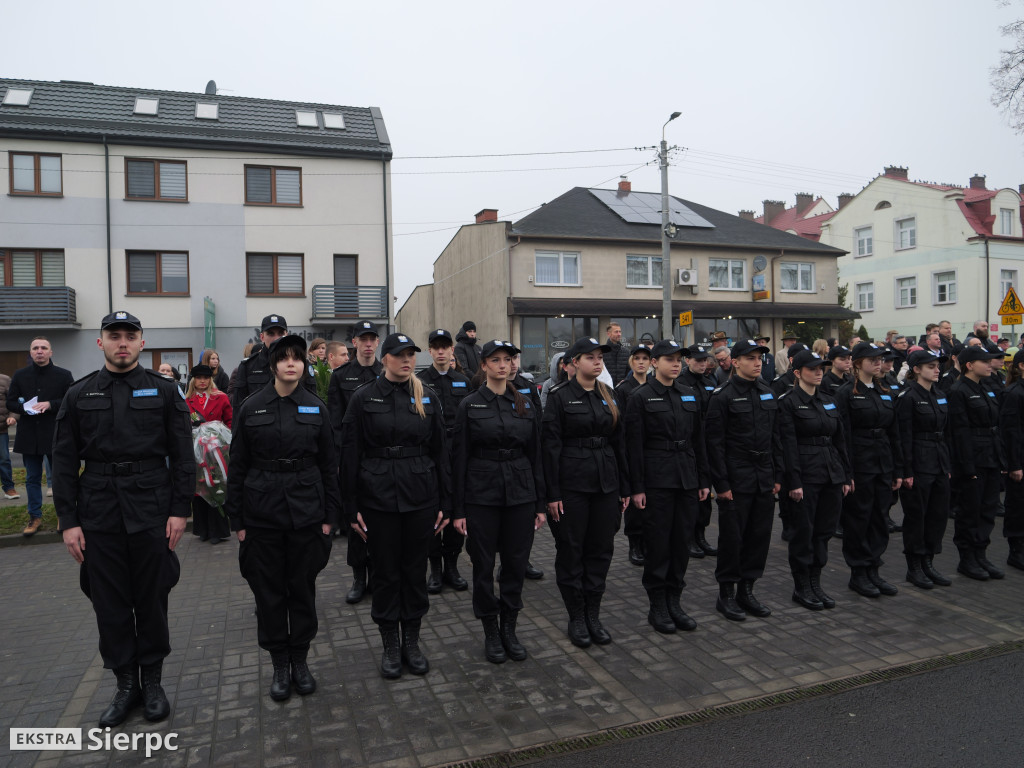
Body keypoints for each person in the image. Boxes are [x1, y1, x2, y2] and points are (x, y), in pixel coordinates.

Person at [52, 311, 194, 726]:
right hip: (98, 513)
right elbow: (63, 462)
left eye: (130, 336)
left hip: (151, 506)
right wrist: (68, 520)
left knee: (152, 597)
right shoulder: (79, 395)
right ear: (100, 343)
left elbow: (183, 455)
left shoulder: (165, 391)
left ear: (141, 343)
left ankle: (152, 683)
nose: (122, 343)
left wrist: (180, 509)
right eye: (114, 336)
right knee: (109, 603)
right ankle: (125, 684)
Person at [227, 334, 339, 701]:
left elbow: (328, 465)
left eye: (297, 358)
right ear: (272, 364)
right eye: (284, 357)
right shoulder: (251, 407)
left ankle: (300, 661)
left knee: (302, 591)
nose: (291, 363)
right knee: (269, 594)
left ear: (304, 365)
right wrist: (238, 520)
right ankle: (279, 664)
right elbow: (238, 466)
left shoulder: (316, 407)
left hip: (307, 511)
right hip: (262, 514)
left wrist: (329, 518)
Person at [341, 333, 450, 679]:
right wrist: (350, 505)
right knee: (386, 573)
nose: (407, 360)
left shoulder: (427, 397)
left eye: (411, 355)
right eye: (399, 355)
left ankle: (412, 643)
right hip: (378, 498)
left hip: (420, 495)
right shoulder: (363, 398)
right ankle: (391, 644)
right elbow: (349, 454)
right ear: (384, 358)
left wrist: (446, 502)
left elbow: (441, 452)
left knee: (414, 572)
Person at [452, 340, 545, 663]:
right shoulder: (470, 404)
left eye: (508, 359)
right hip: (482, 494)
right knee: (483, 566)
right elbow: (459, 458)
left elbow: (536, 456)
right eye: (496, 360)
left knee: (516, 564)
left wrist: (540, 503)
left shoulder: (526, 402)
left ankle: (510, 628)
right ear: (484, 365)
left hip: (520, 493)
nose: (504, 365)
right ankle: (491, 631)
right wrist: (458, 509)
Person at [542, 336, 629, 647]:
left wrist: (625, 487)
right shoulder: (559, 396)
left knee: (601, 550)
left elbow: (620, 443)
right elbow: (550, 448)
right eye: (589, 356)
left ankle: (593, 613)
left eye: (600, 357)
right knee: (571, 551)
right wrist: (552, 494)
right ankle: (576, 616)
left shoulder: (610, 394)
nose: (597, 361)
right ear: (574, 363)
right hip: (572, 485)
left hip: (606, 483)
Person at [626, 339, 709, 633]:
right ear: (654, 363)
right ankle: (657, 605)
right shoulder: (640, 397)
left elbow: (699, 440)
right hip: (657, 479)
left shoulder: (688, 394)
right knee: (659, 545)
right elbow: (633, 447)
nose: (675, 364)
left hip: (686, 477)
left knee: (681, 543)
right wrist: (637, 488)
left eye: (678, 359)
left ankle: (675, 601)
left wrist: (702, 479)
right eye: (669, 359)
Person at [705, 339, 783, 621]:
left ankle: (747, 591)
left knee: (759, 537)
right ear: (735, 362)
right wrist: (722, 485)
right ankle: (726, 594)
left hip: (763, 475)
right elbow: (715, 444)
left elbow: (776, 437)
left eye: (759, 357)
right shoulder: (722, 396)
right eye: (750, 358)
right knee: (732, 538)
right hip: (737, 477)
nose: (757, 362)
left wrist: (777, 475)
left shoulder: (767, 392)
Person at [777, 350, 852, 611]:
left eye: (821, 368)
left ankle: (815, 582)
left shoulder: (829, 400)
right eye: (813, 368)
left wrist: (845, 474)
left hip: (830, 473)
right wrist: (794, 482)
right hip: (805, 476)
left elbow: (840, 440)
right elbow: (787, 446)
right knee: (803, 534)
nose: (819, 372)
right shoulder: (787, 402)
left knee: (823, 533)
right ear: (797, 373)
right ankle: (801, 586)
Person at [834, 342, 903, 598]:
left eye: (880, 359)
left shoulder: (885, 391)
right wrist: (847, 472)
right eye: (872, 359)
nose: (878, 363)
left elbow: (894, 433)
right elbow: (842, 435)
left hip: (883, 463)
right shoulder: (845, 393)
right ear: (857, 362)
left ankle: (874, 568)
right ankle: (859, 573)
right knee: (858, 519)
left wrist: (897, 468)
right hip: (860, 464)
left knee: (879, 518)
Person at [328, 320, 383, 604]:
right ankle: (358, 578)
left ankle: (377, 576)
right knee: (355, 519)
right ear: (355, 343)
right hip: (352, 458)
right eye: (364, 339)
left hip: (380, 459)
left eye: (373, 338)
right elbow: (335, 423)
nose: (369, 343)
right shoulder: (341, 376)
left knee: (378, 519)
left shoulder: (385, 373)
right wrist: (339, 460)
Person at [417, 329, 472, 594]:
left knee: (456, 506)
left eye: (445, 347)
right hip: (430, 454)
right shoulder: (418, 381)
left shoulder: (464, 380)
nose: (440, 352)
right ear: (429, 351)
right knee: (433, 510)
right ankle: (435, 569)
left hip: (457, 452)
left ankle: (452, 565)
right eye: (435, 347)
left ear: (452, 350)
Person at [948, 345, 1006, 580]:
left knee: (987, 511)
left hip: (990, 457)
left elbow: (996, 426)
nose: (990, 365)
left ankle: (981, 554)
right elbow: (959, 433)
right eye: (985, 361)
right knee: (970, 511)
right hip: (973, 459)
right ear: (970, 365)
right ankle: (967, 559)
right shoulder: (958, 391)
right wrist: (967, 467)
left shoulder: (986, 388)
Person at [896, 349, 953, 589]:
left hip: (939, 462)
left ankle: (929, 561)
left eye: (938, 366)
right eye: (931, 366)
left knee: (937, 515)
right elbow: (903, 437)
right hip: (919, 463)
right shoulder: (907, 397)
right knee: (917, 517)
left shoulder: (939, 394)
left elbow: (946, 432)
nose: (937, 369)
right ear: (916, 369)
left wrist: (947, 466)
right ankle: (915, 566)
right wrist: (906, 471)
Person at [6, 337, 74, 536]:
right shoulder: (20, 375)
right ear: (31, 352)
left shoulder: (63, 375)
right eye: (35, 348)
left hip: (55, 435)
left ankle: (64, 516)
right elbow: (10, 403)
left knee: (60, 478)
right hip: (29, 436)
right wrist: (25, 408)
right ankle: (34, 517)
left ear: (51, 352)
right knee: (32, 479)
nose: (40, 351)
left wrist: (50, 404)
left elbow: (70, 401)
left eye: (44, 348)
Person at [185, 363, 232, 544]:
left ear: (210, 379)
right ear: (193, 380)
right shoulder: (186, 401)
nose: (202, 381)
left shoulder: (221, 398)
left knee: (216, 486)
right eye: (198, 378)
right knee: (200, 488)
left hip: (216, 451)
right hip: (196, 450)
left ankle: (217, 531)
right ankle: (202, 529)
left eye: (206, 378)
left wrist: (223, 440)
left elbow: (229, 421)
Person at [679, 344, 718, 558]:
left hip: (708, 445)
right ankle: (689, 538)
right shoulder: (681, 383)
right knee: (692, 495)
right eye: (698, 360)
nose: (703, 364)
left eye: (705, 360)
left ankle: (701, 535)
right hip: (690, 445)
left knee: (706, 491)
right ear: (688, 361)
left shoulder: (710, 382)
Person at [615, 344, 653, 566]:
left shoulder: (655, 386)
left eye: (645, 358)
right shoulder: (623, 388)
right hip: (631, 449)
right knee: (634, 501)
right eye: (637, 358)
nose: (641, 362)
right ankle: (634, 544)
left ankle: (648, 541)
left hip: (652, 450)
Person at [232, 315, 315, 411]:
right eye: (271, 334)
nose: (276, 338)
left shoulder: (301, 364)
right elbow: (239, 405)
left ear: (286, 335)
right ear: (262, 337)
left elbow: (312, 401)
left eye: (280, 333)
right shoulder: (248, 366)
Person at [1000, 349, 1024, 571]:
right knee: (1017, 504)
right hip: (1020, 459)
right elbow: (1011, 433)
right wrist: (1014, 465)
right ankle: (1016, 550)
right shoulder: (1014, 394)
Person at [0, 372, 17, 500]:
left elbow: (13, 401)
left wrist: (12, 416)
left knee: (4, 459)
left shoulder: (5, 380)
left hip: (1, 429)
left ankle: (9, 488)